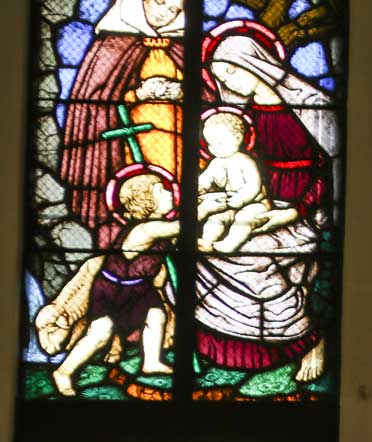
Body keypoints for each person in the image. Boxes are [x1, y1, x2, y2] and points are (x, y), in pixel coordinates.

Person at [194, 25, 339, 385]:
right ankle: (230, 343)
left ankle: (309, 339)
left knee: (249, 258)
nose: (227, 81)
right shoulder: (242, 117)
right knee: (208, 248)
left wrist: (295, 210)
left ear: (255, 62)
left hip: (303, 210)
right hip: (259, 203)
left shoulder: (312, 106)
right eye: (220, 76)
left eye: (231, 71)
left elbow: (332, 169)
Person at [35, 171, 179, 396]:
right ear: (147, 202)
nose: (170, 193)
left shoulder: (161, 227)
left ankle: (151, 361)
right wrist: (204, 208)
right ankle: (63, 372)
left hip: (141, 288)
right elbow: (181, 227)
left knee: (156, 317)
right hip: (113, 288)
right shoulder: (145, 229)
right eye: (162, 191)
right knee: (101, 331)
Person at [59, 0, 185, 247]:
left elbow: (207, 95)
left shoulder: (183, 47)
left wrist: (182, 92)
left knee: (173, 197)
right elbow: (95, 100)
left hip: (178, 144)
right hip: (127, 146)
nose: (165, 14)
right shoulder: (112, 45)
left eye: (174, 10)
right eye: (160, 2)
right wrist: (138, 94)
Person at [196, 112, 296, 254]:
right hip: (231, 204)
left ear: (238, 138)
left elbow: (254, 185)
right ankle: (207, 242)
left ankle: (230, 244)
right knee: (216, 218)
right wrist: (200, 187)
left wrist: (241, 198)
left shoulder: (245, 161)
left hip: (257, 204)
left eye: (220, 143)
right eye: (210, 144)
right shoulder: (216, 163)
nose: (214, 148)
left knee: (243, 218)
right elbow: (206, 178)